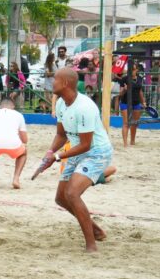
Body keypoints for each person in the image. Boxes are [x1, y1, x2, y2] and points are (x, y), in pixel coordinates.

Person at [38, 68, 113, 252]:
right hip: (76, 149)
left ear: (65, 84)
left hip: (97, 152)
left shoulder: (85, 107)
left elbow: (86, 145)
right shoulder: (62, 104)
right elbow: (61, 135)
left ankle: (91, 245)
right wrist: (50, 152)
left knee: (72, 194)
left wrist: (57, 156)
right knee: (60, 198)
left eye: (55, 79)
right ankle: (96, 230)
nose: (52, 82)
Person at [0, 98, 27, 189]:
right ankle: (16, 178)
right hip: (13, 144)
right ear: (13, 106)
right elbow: (25, 139)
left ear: (0, 106)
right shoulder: (19, 115)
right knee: (24, 152)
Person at [119, 63, 146, 148]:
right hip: (125, 102)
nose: (131, 71)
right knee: (126, 123)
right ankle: (125, 143)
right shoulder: (124, 79)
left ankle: (132, 141)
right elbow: (120, 94)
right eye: (130, 69)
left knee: (134, 123)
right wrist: (124, 89)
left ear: (136, 70)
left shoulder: (140, 79)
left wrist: (143, 102)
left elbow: (140, 91)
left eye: (133, 69)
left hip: (136, 103)